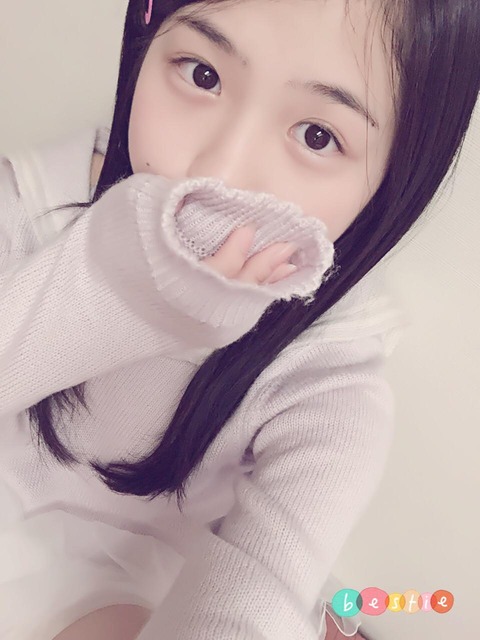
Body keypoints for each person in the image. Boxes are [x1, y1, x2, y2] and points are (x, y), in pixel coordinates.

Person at [0, 0, 478, 639]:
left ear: (395, 180)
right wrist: (117, 293)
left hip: (143, 587)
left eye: (316, 136)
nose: (218, 172)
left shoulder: (326, 382)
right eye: (202, 75)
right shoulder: (35, 204)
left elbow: (250, 600)